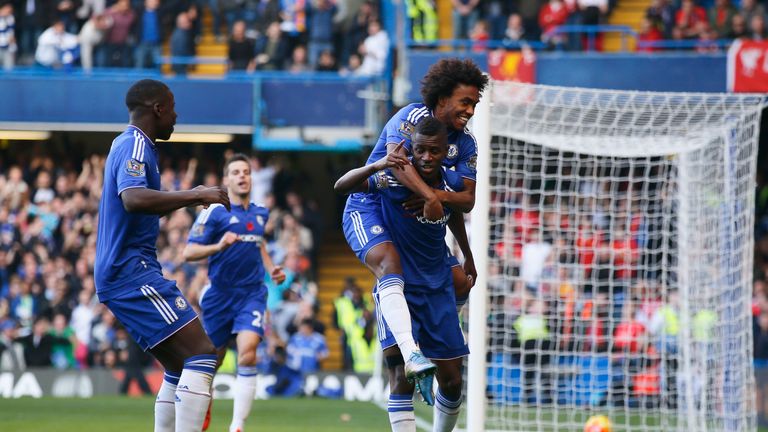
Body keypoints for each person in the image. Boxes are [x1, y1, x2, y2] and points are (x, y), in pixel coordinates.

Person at [340, 57, 487, 402]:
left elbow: (466, 200)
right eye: (465, 102)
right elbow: (398, 164)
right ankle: (411, 353)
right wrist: (433, 198)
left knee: (457, 281)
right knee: (390, 265)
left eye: (475, 104)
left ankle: (438, 331)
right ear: (441, 100)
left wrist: (437, 202)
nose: (470, 110)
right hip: (373, 205)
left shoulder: (466, 143)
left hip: (419, 223)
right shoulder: (412, 117)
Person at [94, 79, 230, 432]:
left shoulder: (133, 146)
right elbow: (134, 199)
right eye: (171, 107)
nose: (176, 115)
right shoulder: (135, 145)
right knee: (203, 353)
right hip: (130, 272)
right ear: (157, 109)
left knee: (178, 365)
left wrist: (188, 199)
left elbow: (140, 207)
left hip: (124, 271)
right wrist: (196, 193)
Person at [335, 117, 470, 432]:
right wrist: (376, 163)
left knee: (452, 382)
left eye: (433, 151)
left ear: (444, 151)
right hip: (400, 288)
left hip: (437, 287)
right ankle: (412, 352)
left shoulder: (452, 184)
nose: (425, 157)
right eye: (419, 150)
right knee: (399, 376)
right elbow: (342, 187)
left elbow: (457, 214)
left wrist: (469, 253)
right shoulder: (391, 178)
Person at [182, 153, 286, 432]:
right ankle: (203, 413)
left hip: (252, 294)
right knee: (209, 365)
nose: (242, 176)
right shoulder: (215, 212)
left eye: (246, 172)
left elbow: (258, 243)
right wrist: (218, 247)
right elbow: (189, 252)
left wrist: (271, 268)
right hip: (219, 296)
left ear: (251, 178)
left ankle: (237, 426)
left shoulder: (261, 211)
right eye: (236, 172)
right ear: (226, 180)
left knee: (248, 353)